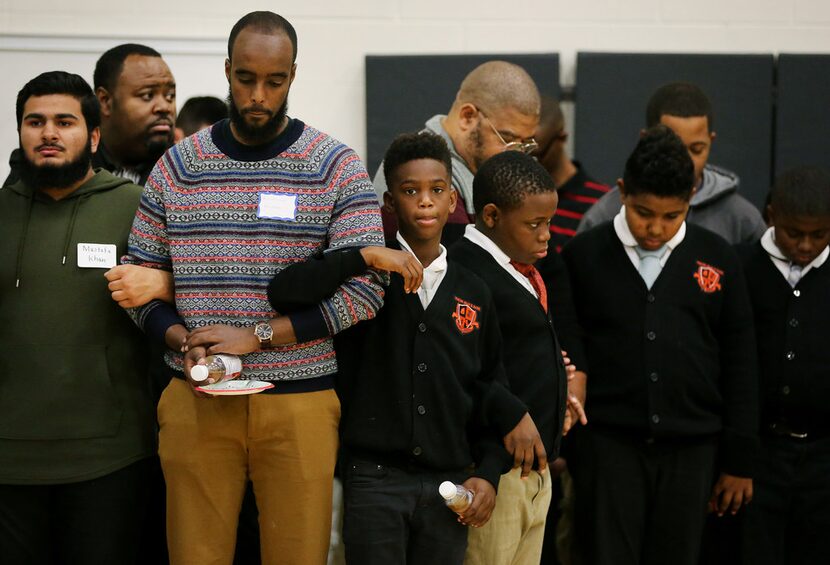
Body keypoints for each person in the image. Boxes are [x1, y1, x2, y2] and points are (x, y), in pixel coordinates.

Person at [121, 11, 386, 565]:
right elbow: (137, 285)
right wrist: (179, 340)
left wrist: (259, 337)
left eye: (274, 81)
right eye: (245, 79)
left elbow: (367, 292)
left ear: (293, 75)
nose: (258, 95)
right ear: (226, 71)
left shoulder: (335, 166)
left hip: (300, 403)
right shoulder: (176, 168)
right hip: (196, 399)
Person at [267, 131, 542, 564]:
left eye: (436, 190)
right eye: (411, 191)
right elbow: (283, 292)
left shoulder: (475, 289)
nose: (426, 202)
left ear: (454, 200)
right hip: (374, 480)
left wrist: (488, 473)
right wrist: (363, 256)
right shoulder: (367, 279)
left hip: (450, 484)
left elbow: (489, 385)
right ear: (390, 203)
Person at [561, 125, 758, 565]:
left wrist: (740, 459)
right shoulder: (584, 256)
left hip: (693, 449)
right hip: (608, 447)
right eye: (644, 212)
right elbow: (569, 345)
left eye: (672, 216)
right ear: (622, 192)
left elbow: (741, 360)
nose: (655, 228)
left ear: (690, 198)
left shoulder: (719, 258)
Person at [0, 71, 155, 564]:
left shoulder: (135, 207)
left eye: (64, 122)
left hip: (108, 457)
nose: (48, 133)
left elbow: (192, 291)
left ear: (92, 136)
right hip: (9, 459)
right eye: (35, 121)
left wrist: (166, 282)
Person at [448, 151, 577, 565]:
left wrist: (559, 386)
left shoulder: (520, 268)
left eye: (550, 223)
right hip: (492, 474)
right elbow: (464, 371)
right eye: (534, 224)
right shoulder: (464, 272)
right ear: (490, 215)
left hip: (532, 472)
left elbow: (520, 355)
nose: (546, 236)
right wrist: (511, 417)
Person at [737, 166, 830, 565]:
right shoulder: (740, 265)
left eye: (820, 234)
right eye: (794, 233)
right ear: (771, 216)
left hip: (824, 453)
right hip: (761, 453)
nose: (806, 245)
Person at [372, 61, 541, 245]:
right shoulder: (416, 165)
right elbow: (462, 265)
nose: (518, 156)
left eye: (526, 144)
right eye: (508, 139)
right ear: (467, 116)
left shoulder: (484, 168)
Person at [579, 82, 765, 244]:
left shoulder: (743, 220)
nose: (685, 160)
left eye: (696, 149)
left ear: (711, 141)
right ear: (646, 139)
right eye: (644, 213)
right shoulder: (602, 217)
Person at [534, 95, 610, 253]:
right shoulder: (517, 197)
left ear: (562, 138)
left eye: (536, 155)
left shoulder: (600, 203)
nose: (528, 162)